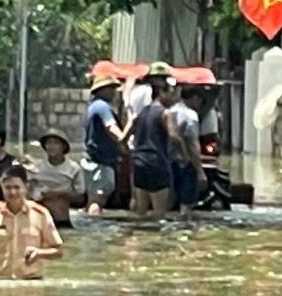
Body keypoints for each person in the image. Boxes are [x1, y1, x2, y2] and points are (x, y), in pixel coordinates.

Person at [125, 74, 178, 215]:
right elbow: (173, 136)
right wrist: (183, 150)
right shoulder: (166, 113)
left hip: (139, 162)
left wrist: (127, 152)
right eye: (171, 93)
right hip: (157, 163)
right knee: (159, 213)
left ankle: (139, 235)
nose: (173, 98)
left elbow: (123, 138)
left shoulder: (141, 112)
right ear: (161, 93)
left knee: (140, 211)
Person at [81, 76, 125, 215]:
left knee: (94, 198)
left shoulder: (92, 106)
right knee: (97, 200)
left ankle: (91, 221)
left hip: (93, 159)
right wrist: (124, 141)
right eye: (111, 88)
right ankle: (94, 226)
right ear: (102, 90)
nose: (114, 92)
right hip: (100, 161)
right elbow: (111, 127)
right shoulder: (102, 107)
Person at [27, 129, 84, 227]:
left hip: (61, 218)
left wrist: (57, 193)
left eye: (56, 143)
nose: (51, 146)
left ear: (64, 146)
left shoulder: (73, 168)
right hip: (40, 218)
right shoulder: (36, 167)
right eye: (49, 143)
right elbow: (27, 194)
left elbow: (80, 198)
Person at [168, 82, 204, 212]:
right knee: (186, 203)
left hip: (169, 161)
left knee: (168, 201)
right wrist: (200, 171)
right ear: (194, 97)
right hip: (185, 164)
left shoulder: (171, 110)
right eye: (200, 99)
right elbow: (192, 144)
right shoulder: (190, 115)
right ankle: (185, 227)